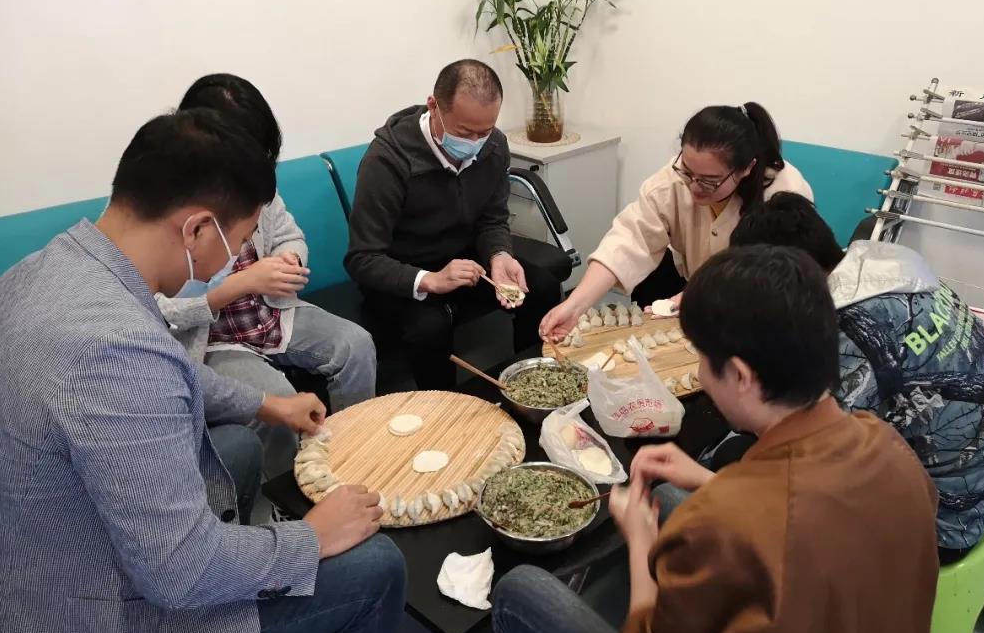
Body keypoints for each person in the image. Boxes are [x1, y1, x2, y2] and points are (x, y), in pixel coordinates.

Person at [0, 110, 404, 633]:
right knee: (376, 565)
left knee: (236, 446)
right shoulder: (115, 352)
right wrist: (310, 538)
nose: (237, 258)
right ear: (195, 230)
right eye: (238, 243)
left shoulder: (42, 270)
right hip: (95, 630)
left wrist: (268, 403)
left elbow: (172, 372)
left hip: (38, 553)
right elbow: (181, 571)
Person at [493, 246, 940, 633]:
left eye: (702, 360)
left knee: (519, 589)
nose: (701, 375)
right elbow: (813, 525)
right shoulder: (890, 447)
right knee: (672, 496)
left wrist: (641, 544)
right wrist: (710, 482)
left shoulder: (721, 525)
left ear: (741, 375)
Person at [729, 191, 984, 562]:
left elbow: (807, 447)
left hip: (942, 525)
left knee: (743, 473)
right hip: (983, 482)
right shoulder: (892, 273)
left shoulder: (849, 333)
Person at [157, 74, 377, 479]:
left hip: (273, 314)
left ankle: (353, 455)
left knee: (356, 345)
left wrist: (287, 259)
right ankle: (291, 493)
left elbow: (290, 235)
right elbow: (158, 314)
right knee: (279, 403)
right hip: (215, 342)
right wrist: (239, 284)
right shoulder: (165, 210)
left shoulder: (258, 186)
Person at [346, 59, 562, 389]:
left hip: (464, 261)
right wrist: (430, 280)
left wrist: (499, 255)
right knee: (429, 327)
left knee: (541, 288)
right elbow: (363, 258)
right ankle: (448, 409)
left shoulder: (494, 147)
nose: (474, 142)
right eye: (463, 132)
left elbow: (492, 219)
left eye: (484, 131)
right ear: (434, 106)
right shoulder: (387, 160)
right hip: (402, 273)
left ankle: (529, 387)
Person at [540, 102, 813, 342]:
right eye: (687, 171)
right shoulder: (672, 180)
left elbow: (777, 282)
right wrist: (575, 305)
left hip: (760, 307)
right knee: (655, 275)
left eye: (710, 181)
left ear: (747, 168)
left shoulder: (784, 196)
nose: (694, 187)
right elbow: (629, 240)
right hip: (698, 284)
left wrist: (701, 296)